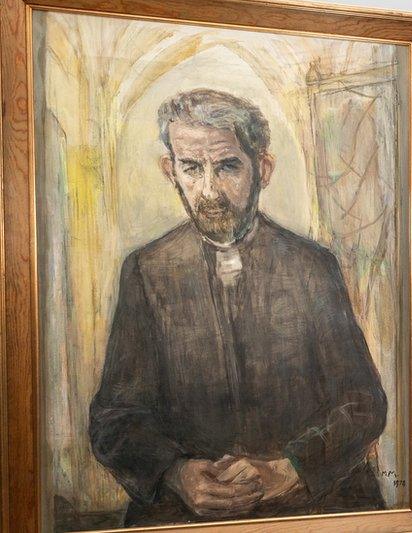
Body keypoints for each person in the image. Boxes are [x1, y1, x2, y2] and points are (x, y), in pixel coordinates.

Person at [89, 88, 388, 526]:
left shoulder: (312, 266)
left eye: (228, 166)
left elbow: (364, 403)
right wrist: (176, 473)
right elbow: (114, 418)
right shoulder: (146, 271)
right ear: (170, 170)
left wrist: (289, 469)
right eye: (192, 168)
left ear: (262, 168)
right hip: (188, 512)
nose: (209, 191)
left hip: (309, 508)